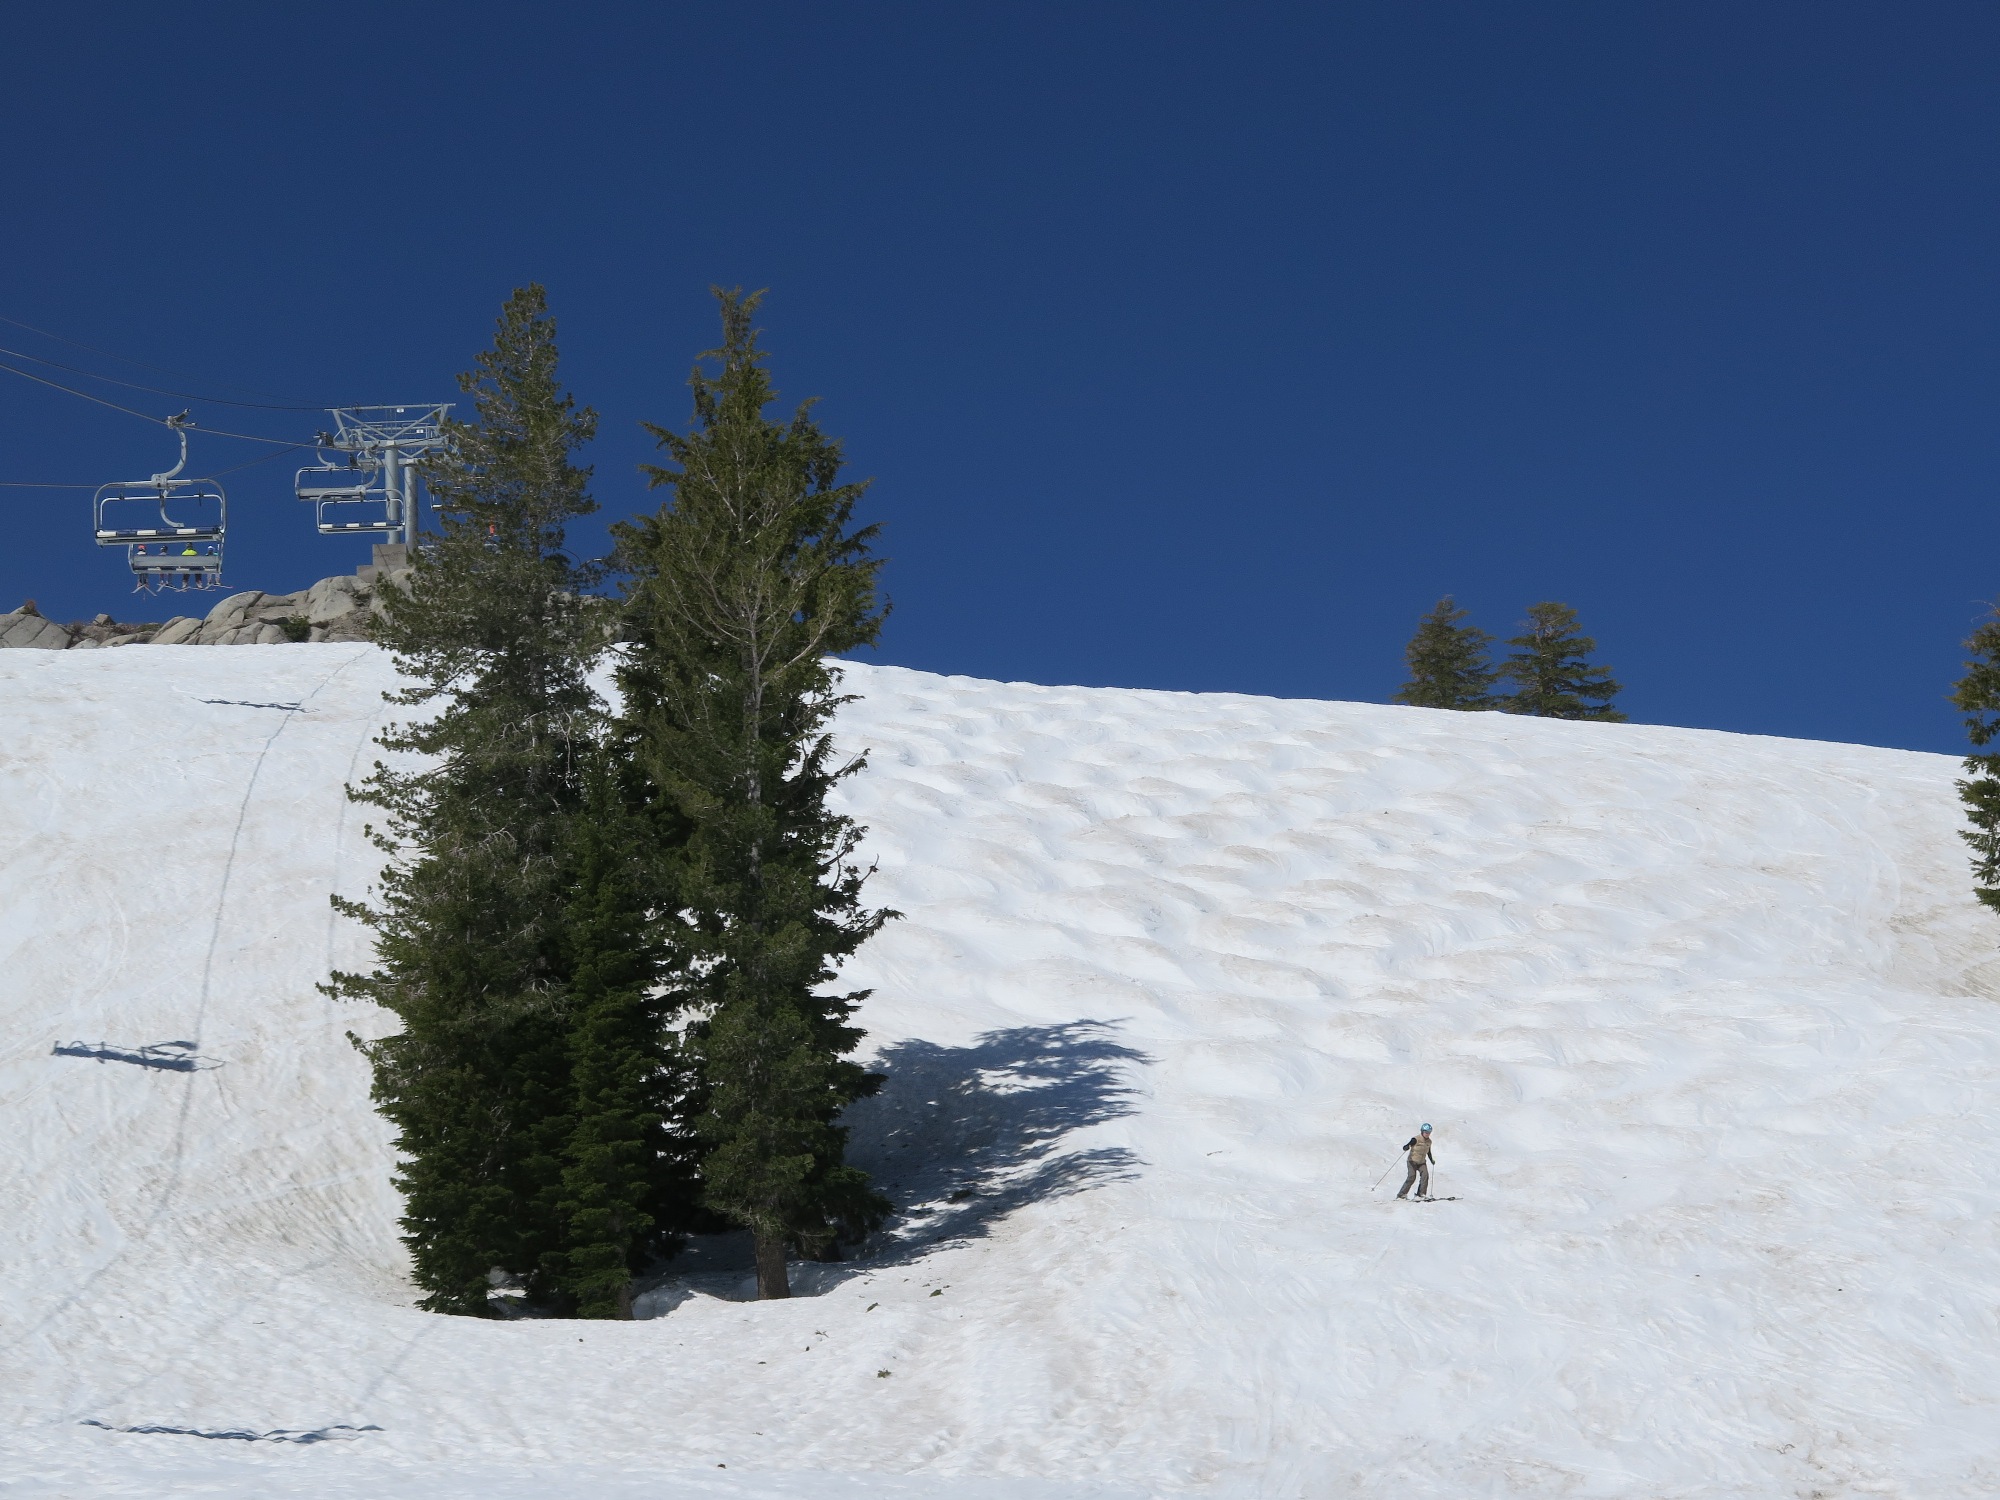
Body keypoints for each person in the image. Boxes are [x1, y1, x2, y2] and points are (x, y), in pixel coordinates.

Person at [1396, 1123, 1436, 1200]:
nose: (1427, 1134)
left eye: (1429, 1132)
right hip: (1412, 1161)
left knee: (1425, 1176)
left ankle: (1421, 1194)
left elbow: (1428, 1152)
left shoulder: (1429, 1142)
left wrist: (1431, 1160)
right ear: (1422, 1131)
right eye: (1426, 1132)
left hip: (1422, 1162)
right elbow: (1407, 1145)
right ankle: (1401, 1195)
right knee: (1412, 1176)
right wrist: (1406, 1147)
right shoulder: (1416, 1139)